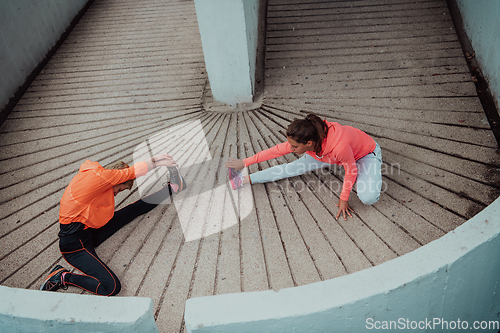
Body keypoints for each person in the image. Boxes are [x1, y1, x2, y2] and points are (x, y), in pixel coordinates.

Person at [39, 154, 186, 296]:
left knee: (132, 211)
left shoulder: (95, 178)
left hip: (89, 231)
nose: (116, 194)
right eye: (120, 189)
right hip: (74, 247)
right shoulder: (98, 179)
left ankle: (173, 187)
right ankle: (63, 277)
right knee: (111, 287)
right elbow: (133, 171)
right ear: (115, 181)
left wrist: (162, 163)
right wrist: (159, 161)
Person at [225, 113, 382, 221]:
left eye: (294, 146)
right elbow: (275, 151)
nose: (290, 148)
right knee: (290, 168)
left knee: (368, 198)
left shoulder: (339, 147)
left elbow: (351, 170)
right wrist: (245, 162)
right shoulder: (309, 140)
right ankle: (243, 179)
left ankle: (374, 167)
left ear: (308, 143)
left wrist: (343, 199)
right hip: (326, 155)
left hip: (364, 154)